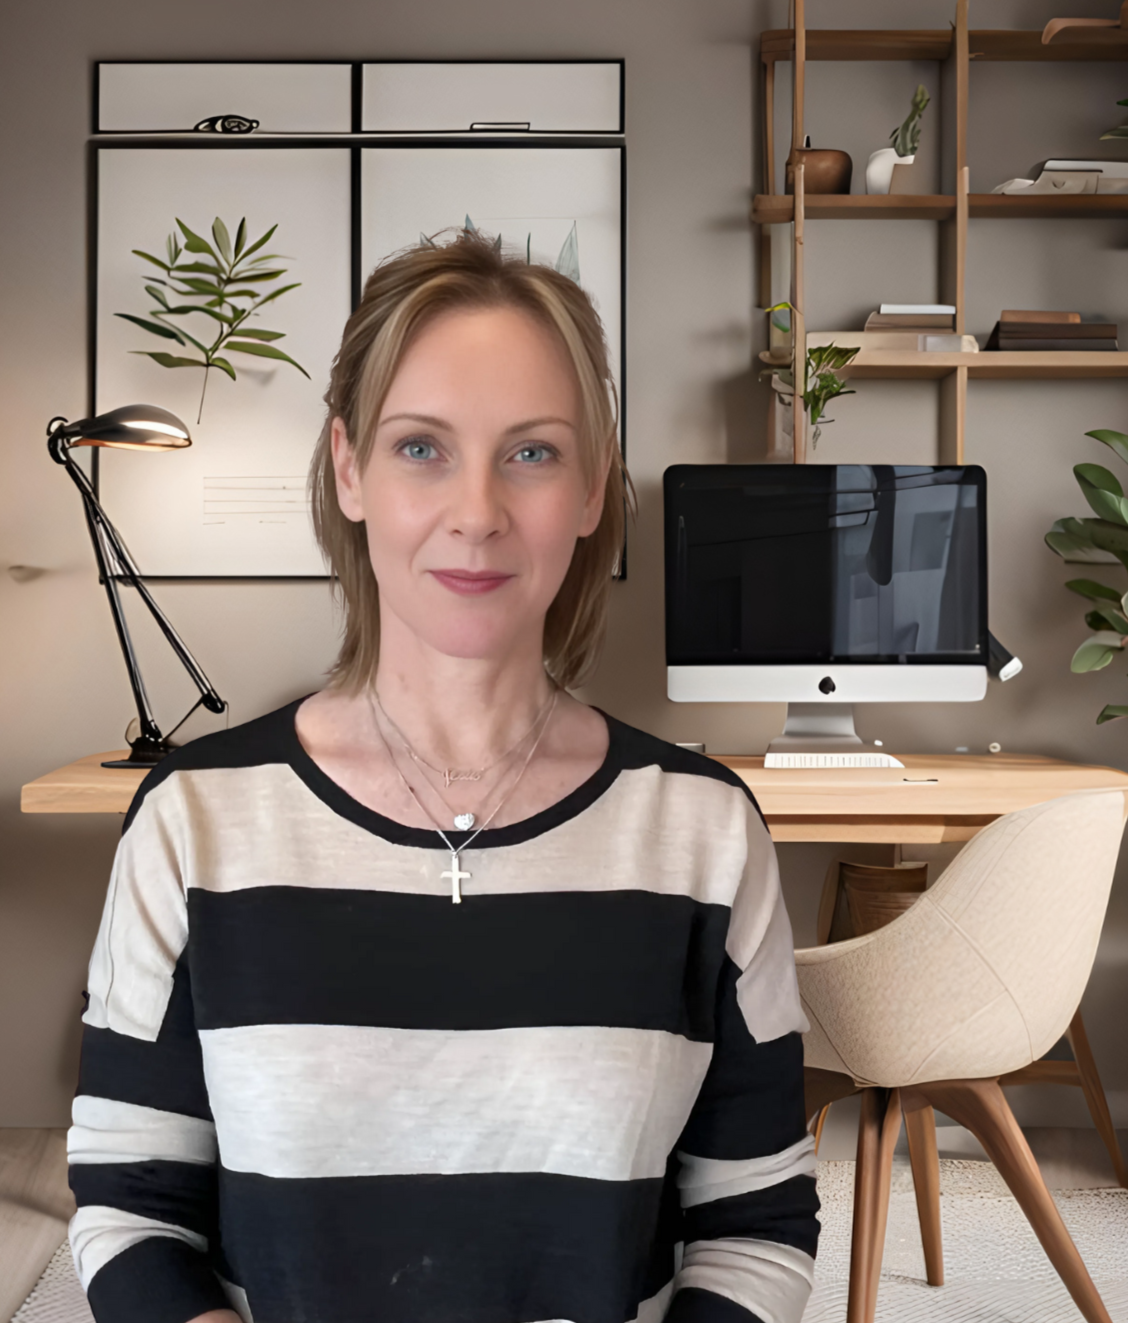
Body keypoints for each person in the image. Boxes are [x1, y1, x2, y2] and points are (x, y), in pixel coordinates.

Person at [66, 231, 818, 1323]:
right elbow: (130, 1208)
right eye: (423, 447)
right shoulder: (192, 823)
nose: (478, 512)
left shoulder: (704, 833)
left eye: (533, 452)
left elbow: (754, 1220)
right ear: (348, 468)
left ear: (595, 487)